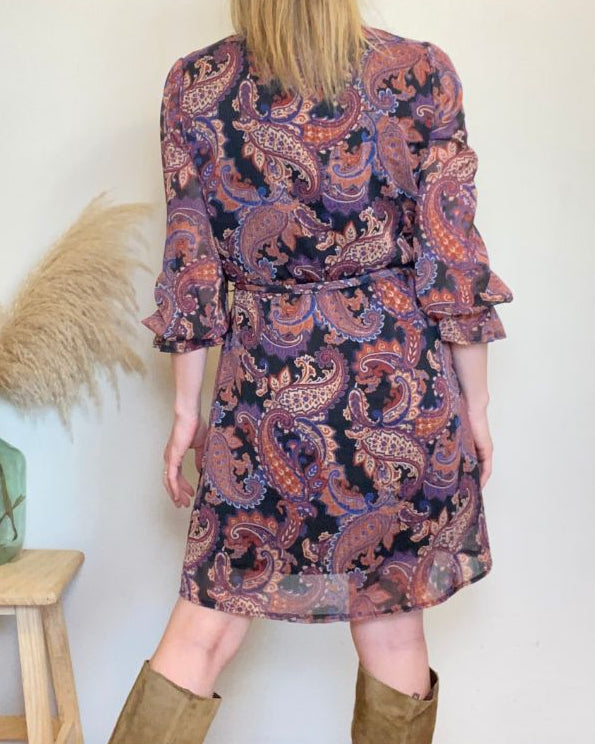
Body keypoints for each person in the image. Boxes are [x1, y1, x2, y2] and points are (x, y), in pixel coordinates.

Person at [107, 1, 514, 742]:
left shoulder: (197, 83)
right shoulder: (418, 71)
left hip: (261, 394)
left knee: (203, 631)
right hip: (401, 391)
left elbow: (192, 267)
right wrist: (476, 407)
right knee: (393, 630)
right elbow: (451, 259)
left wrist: (186, 414)